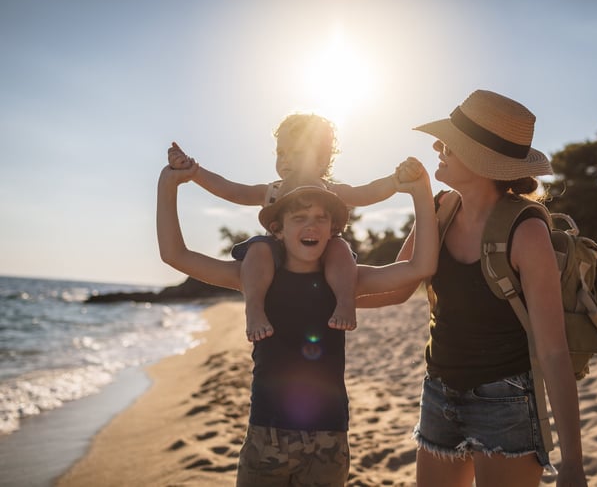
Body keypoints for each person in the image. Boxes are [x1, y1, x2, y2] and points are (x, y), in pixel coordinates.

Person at [156, 156, 438, 486]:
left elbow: (420, 268)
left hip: (329, 439)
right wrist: (169, 183)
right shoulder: (254, 278)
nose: (311, 225)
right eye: (300, 217)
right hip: (266, 435)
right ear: (278, 229)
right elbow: (175, 254)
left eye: (321, 219)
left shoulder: (346, 281)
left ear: (333, 230)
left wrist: (420, 192)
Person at [357, 90, 587, 487]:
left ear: (482, 159)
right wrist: (310, 288)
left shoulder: (527, 231)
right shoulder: (441, 206)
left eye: (449, 143)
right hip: (438, 392)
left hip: (507, 400)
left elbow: (553, 350)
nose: (436, 147)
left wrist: (573, 463)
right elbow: (396, 286)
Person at [168, 113, 424, 342]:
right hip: (277, 256)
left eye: (298, 153)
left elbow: (368, 192)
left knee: (340, 247)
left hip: (322, 255)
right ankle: (254, 308)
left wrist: (396, 180)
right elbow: (231, 190)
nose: (286, 160)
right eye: (281, 153)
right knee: (258, 248)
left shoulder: (331, 191)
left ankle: (346, 302)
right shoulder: (272, 191)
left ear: (322, 160)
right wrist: (194, 172)